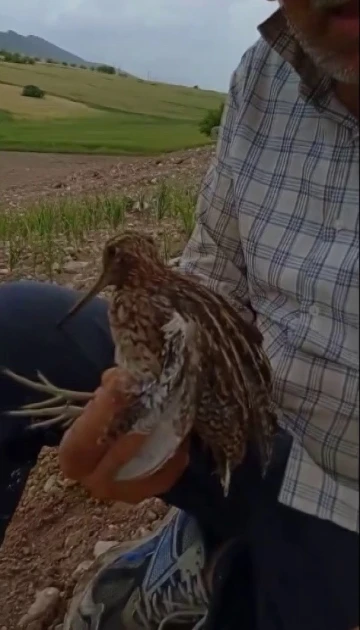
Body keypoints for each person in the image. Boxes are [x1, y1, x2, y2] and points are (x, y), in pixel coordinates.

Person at [0, 1, 358, 628]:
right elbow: (215, 265)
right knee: (14, 325)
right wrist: (162, 407)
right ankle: (220, 533)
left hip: (343, 506)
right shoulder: (267, 72)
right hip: (250, 418)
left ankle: (230, 559)